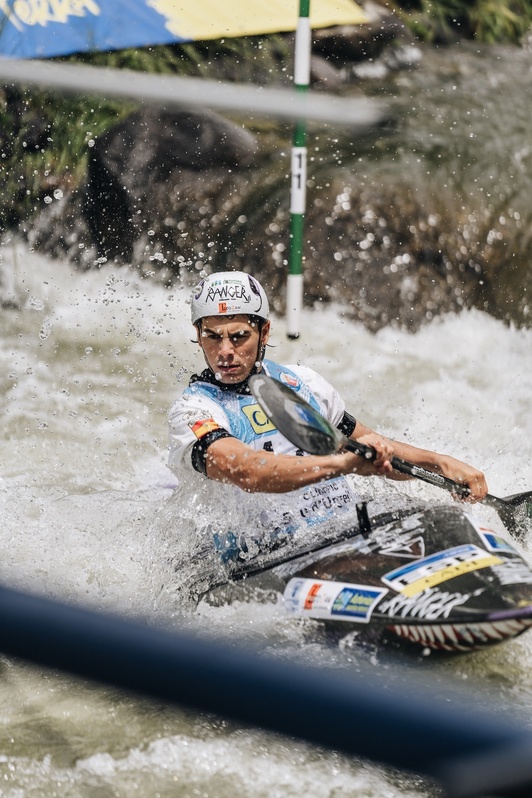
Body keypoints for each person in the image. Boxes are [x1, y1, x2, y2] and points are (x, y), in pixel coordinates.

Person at [167, 271, 488, 562]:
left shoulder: (301, 382)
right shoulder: (194, 410)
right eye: (212, 336)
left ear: (264, 332)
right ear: (198, 334)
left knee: (447, 520)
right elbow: (247, 472)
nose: (225, 350)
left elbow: (368, 443)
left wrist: (440, 463)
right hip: (266, 557)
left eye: (238, 336)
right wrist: (341, 465)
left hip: (343, 534)